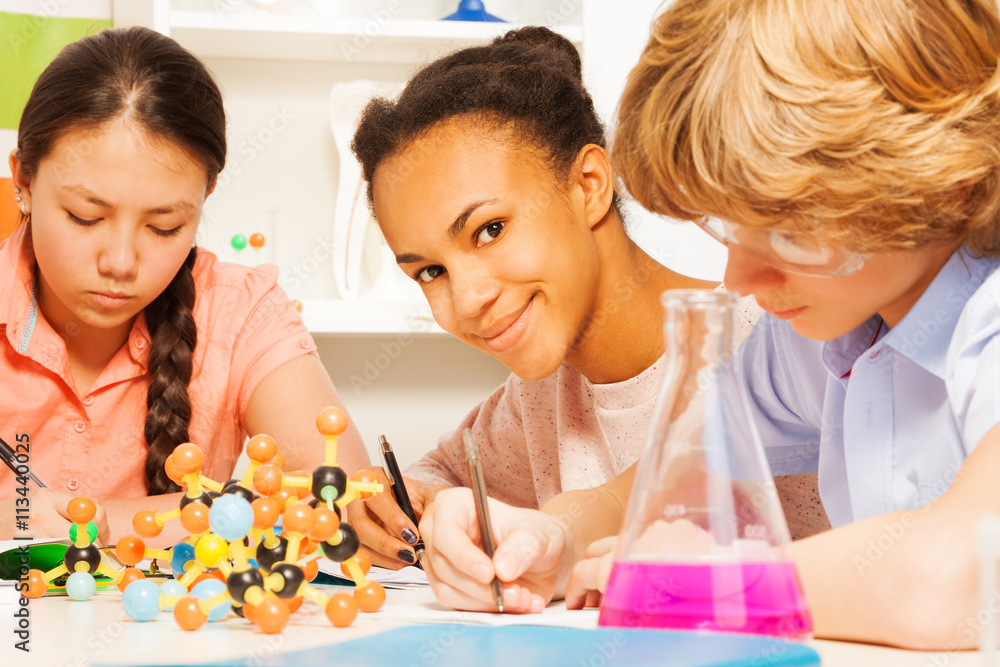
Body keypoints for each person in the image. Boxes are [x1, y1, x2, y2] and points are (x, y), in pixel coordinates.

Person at [416, 0, 1000, 649]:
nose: (740, 279)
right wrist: (554, 537)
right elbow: (655, 482)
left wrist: (704, 584)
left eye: (788, 230)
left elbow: (958, 574)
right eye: (729, 225)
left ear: (952, 180)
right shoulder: (821, 332)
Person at [347, 27, 771, 577]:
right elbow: (440, 474)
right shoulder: (536, 402)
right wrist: (399, 506)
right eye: (430, 271)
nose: (469, 299)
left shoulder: (780, 340)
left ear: (589, 185)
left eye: (489, 229)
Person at [0, 27, 369, 545]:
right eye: (85, 216)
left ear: (206, 195)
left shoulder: (241, 312)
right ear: (23, 182)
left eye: (164, 226)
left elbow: (341, 503)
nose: (122, 262)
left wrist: (101, 521)